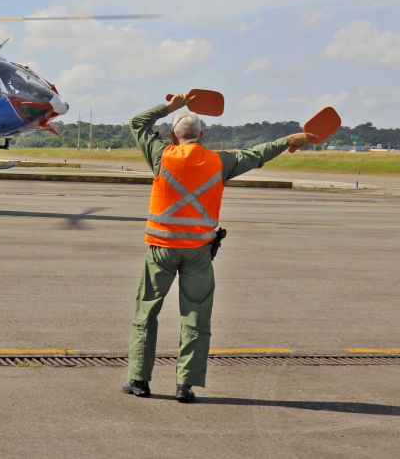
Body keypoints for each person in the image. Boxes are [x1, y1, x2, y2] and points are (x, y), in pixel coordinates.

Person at [122, 93, 317, 403]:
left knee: (146, 313)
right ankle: (185, 384)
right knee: (196, 316)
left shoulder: (162, 155)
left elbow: (137, 123)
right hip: (198, 251)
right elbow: (257, 154)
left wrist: (171, 107)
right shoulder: (219, 161)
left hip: (161, 248)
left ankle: (138, 380)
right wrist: (288, 140)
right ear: (203, 135)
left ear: (174, 135)